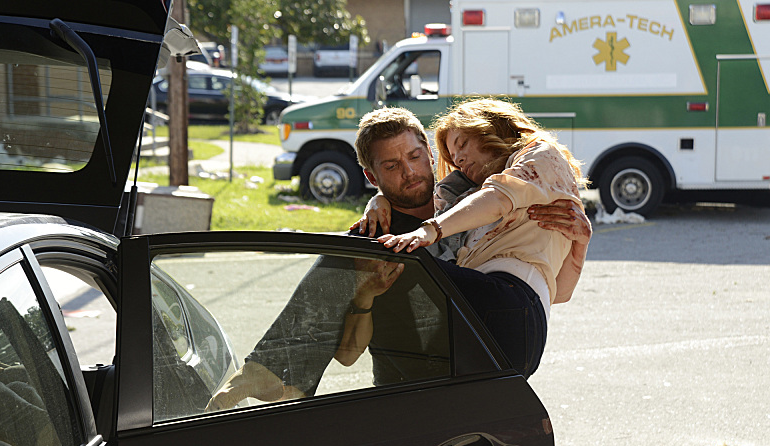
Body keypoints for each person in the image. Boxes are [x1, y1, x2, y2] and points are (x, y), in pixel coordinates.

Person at [207, 106, 590, 410]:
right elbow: (345, 354)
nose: (409, 172)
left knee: (385, 253)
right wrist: (365, 296)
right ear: (371, 176)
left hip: (474, 353)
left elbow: (497, 198)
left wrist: (429, 230)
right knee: (360, 247)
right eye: (391, 166)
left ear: (427, 153)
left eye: (415, 156)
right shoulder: (380, 226)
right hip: (403, 386)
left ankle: (270, 371)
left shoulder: (469, 194)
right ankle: (277, 375)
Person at [350, 99, 591, 377]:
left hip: (506, 303)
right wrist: (380, 199)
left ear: (490, 129)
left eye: (462, 144)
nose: (458, 159)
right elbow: (560, 294)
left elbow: (498, 198)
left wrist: (429, 230)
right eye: (454, 155)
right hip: (511, 327)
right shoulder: (471, 196)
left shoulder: (539, 155)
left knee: (398, 261)